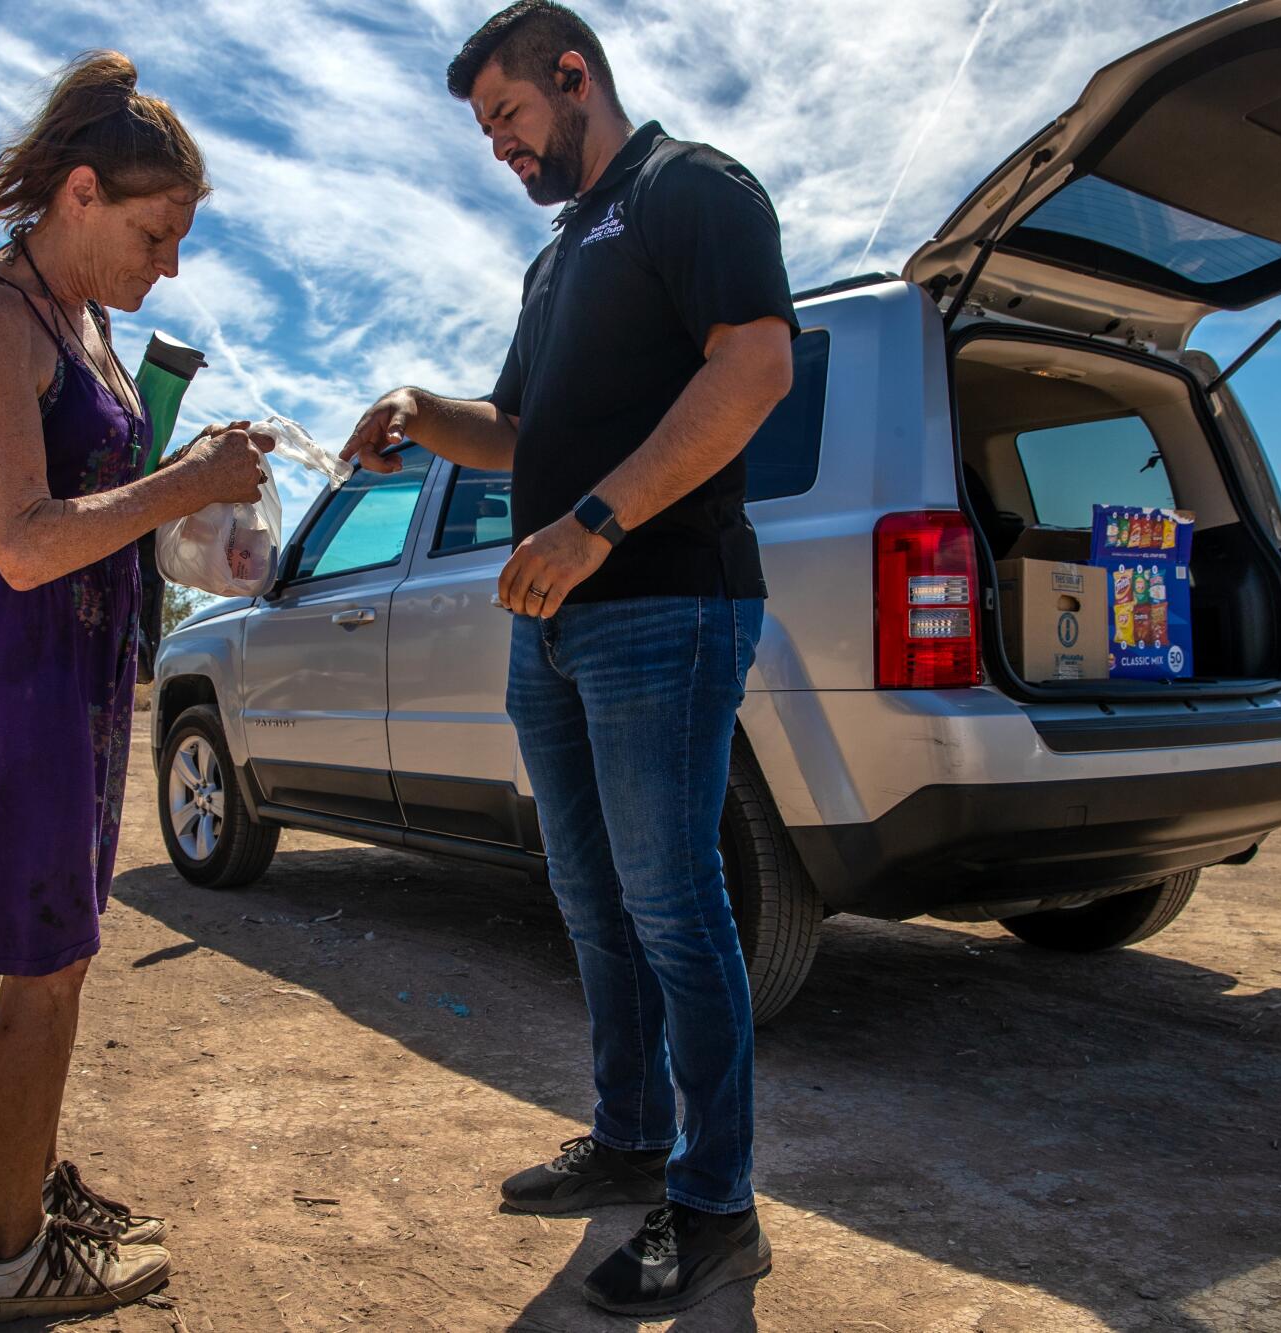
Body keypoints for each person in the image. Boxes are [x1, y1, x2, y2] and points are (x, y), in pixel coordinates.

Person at [343, 1, 798, 1318]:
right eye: (487, 127)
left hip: (664, 601)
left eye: (508, 116)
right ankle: (632, 1135)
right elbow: (519, 424)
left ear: (574, 74)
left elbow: (758, 365)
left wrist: (596, 522)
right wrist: (424, 417)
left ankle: (718, 1210)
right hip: (555, 623)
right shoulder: (556, 261)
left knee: (674, 902)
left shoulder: (690, 189)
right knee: (590, 895)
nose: (498, 146)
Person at [0, 50, 270, 1323]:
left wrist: (202, 520)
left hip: (73, 671)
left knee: (62, 949)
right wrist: (187, 485)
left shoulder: (88, 327)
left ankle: (36, 1192)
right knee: (41, 958)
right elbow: (20, 538)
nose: (166, 263)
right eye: (154, 232)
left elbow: (108, 508)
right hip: (11, 677)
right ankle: (7, 1259)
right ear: (78, 193)